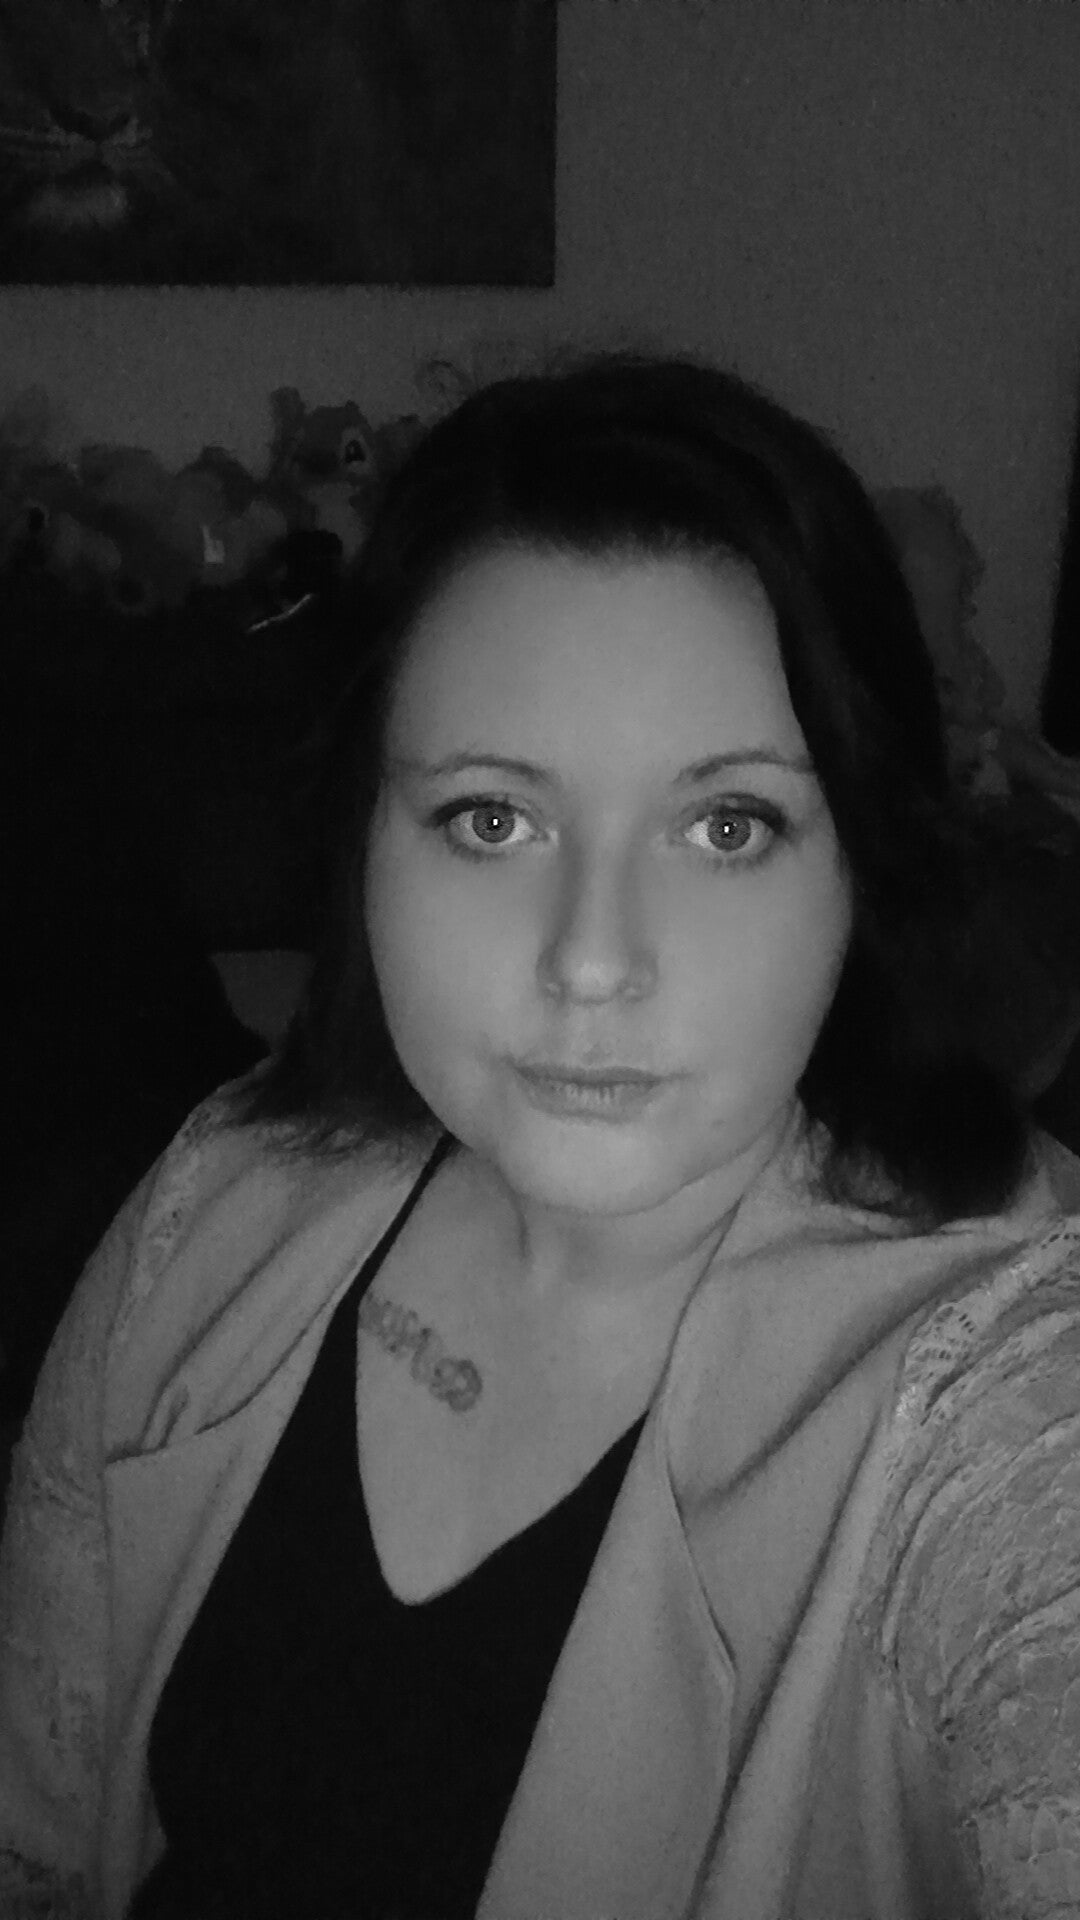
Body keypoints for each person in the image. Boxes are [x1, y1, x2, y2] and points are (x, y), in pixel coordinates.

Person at [2, 353, 1080, 1920]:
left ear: (863, 869)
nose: (591, 959)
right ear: (368, 837)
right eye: (492, 819)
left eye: (728, 827)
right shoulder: (212, 1201)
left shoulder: (1006, 1384)